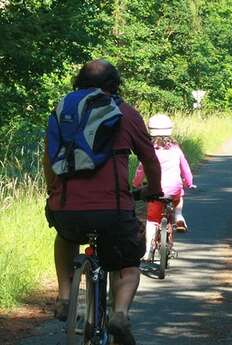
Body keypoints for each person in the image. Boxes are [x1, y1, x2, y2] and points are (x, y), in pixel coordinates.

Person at [43, 59, 162, 345]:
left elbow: (48, 158)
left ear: (78, 82)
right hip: (114, 211)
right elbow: (150, 159)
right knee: (129, 261)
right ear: (114, 85)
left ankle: (64, 296)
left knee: (64, 236)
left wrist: (53, 191)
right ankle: (119, 313)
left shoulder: (63, 110)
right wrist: (153, 190)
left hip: (67, 209)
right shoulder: (126, 113)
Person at [132, 114, 194, 259]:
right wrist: (189, 182)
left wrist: (136, 183)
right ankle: (179, 215)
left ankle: (147, 250)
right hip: (174, 189)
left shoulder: (149, 150)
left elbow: (141, 169)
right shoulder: (176, 148)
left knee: (152, 220)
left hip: (155, 190)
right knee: (179, 196)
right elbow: (185, 168)